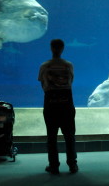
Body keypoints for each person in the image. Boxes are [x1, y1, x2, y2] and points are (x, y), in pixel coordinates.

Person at [38, 39, 77, 174]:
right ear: (63, 48)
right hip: (67, 104)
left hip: (51, 105)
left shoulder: (45, 66)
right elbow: (70, 82)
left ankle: (54, 165)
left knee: (52, 137)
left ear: (51, 48)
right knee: (70, 136)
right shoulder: (68, 66)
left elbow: (42, 84)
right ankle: (73, 165)